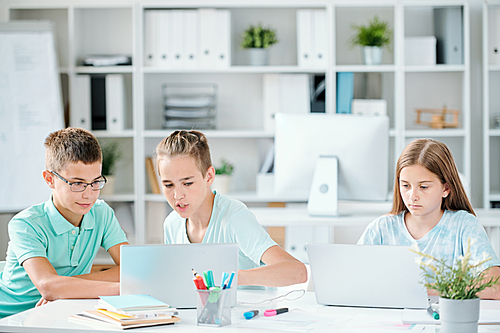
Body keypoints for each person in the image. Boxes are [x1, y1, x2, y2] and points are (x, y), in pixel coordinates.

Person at [0, 128, 129, 318]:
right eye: (77, 183)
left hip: (61, 311)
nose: (89, 194)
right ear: (49, 179)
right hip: (11, 318)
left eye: (95, 182)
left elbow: (132, 268)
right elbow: (47, 286)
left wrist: (64, 287)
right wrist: (123, 289)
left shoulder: (102, 213)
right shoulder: (25, 224)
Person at [156, 130, 307, 288]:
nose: (177, 195)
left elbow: (297, 272)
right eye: (168, 185)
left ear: (209, 176)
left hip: (250, 310)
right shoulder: (172, 224)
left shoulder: (235, 218)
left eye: (187, 183)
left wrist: (235, 277)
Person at [358, 138, 500, 299]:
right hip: (390, 319)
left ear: (446, 188)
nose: (413, 196)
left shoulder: (464, 225)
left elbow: (495, 285)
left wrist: (422, 289)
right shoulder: (381, 228)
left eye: (423, 187)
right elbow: (353, 277)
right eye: (405, 185)